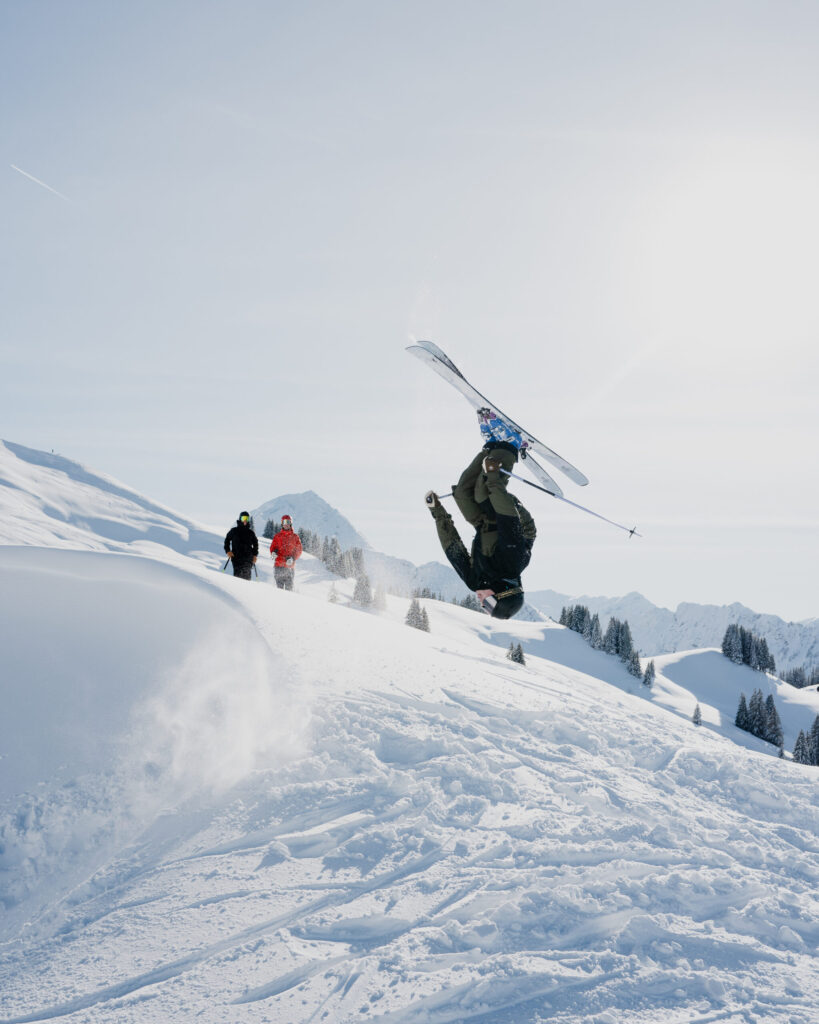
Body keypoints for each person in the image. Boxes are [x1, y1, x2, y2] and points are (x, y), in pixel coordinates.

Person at [426, 441, 536, 619]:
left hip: (486, 527)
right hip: (515, 520)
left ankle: (489, 450)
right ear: (503, 591)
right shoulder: (512, 564)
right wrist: (493, 477)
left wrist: (437, 511)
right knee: (482, 493)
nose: (481, 602)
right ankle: (508, 448)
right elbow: (509, 519)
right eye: (489, 603)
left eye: (485, 607)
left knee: (462, 493)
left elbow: (452, 547)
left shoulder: (474, 581)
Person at [269, 514, 303, 590]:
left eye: (288, 522)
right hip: (278, 566)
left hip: (289, 567)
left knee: (288, 591)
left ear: (291, 523)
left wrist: (293, 558)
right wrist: (273, 553)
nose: (286, 524)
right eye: (284, 522)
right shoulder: (277, 536)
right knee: (279, 591)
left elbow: (299, 550)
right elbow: (273, 547)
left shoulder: (295, 537)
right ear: (282, 524)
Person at [223, 511, 258, 580]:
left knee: (246, 577)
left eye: (247, 519)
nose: (245, 520)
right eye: (243, 518)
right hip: (236, 558)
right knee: (237, 577)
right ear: (240, 519)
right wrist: (228, 551)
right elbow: (227, 540)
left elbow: (255, 544)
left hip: (248, 559)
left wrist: (255, 555)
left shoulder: (250, 533)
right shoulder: (234, 531)